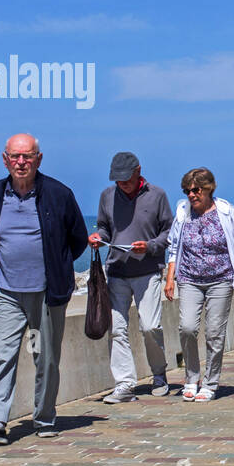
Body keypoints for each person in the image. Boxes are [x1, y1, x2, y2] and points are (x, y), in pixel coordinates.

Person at [0, 134, 88, 446]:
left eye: (28, 156)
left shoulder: (59, 194)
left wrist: (58, 266)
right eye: (15, 157)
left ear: (39, 159)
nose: (21, 162)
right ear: (5, 159)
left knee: (44, 357)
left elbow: (77, 239)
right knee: (3, 354)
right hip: (7, 291)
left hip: (46, 294)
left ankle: (44, 417)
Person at [89, 152, 174, 404]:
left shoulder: (157, 195)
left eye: (125, 179)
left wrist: (148, 246)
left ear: (138, 171)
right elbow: (104, 226)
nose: (121, 184)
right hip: (116, 272)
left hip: (148, 272)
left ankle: (159, 374)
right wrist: (98, 238)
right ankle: (124, 383)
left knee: (150, 327)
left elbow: (169, 231)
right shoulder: (106, 196)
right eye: (117, 180)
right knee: (116, 329)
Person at [164, 168, 234, 402]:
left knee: (214, 333)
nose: (192, 194)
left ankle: (211, 382)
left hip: (221, 279)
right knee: (187, 328)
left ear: (208, 188)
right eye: (188, 191)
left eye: (196, 190)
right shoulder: (183, 214)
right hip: (189, 278)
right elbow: (174, 248)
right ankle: (191, 378)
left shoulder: (226, 212)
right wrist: (170, 278)